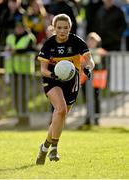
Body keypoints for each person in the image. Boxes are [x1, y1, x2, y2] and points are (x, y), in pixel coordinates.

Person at [36, 13, 95, 165]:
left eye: (65, 28)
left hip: (71, 81)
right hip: (52, 79)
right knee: (60, 109)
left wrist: (88, 67)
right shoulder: (49, 44)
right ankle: (54, 148)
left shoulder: (76, 41)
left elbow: (90, 60)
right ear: (54, 28)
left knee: (60, 116)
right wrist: (54, 76)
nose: (62, 31)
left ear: (70, 28)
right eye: (59, 28)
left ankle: (44, 147)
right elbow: (43, 69)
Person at [80, 32, 107, 125]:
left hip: (96, 80)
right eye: (90, 41)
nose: (92, 43)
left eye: (94, 41)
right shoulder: (83, 52)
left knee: (96, 98)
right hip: (85, 79)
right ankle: (88, 117)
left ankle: (96, 118)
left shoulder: (101, 52)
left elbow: (104, 65)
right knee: (86, 99)